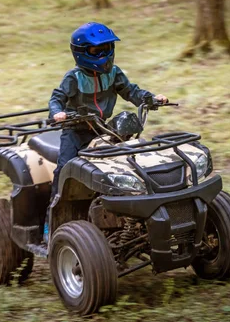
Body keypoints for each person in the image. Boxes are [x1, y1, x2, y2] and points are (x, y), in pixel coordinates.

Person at [45, 22, 167, 240]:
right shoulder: (74, 78)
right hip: (75, 130)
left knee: (121, 165)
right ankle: (50, 223)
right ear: (81, 52)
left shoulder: (113, 73)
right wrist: (57, 113)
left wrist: (150, 99)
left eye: (107, 47)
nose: (104, 53)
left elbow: (130, 91)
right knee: (64, 171)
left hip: (102, 129)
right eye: (96, 50)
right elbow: (57, 98)